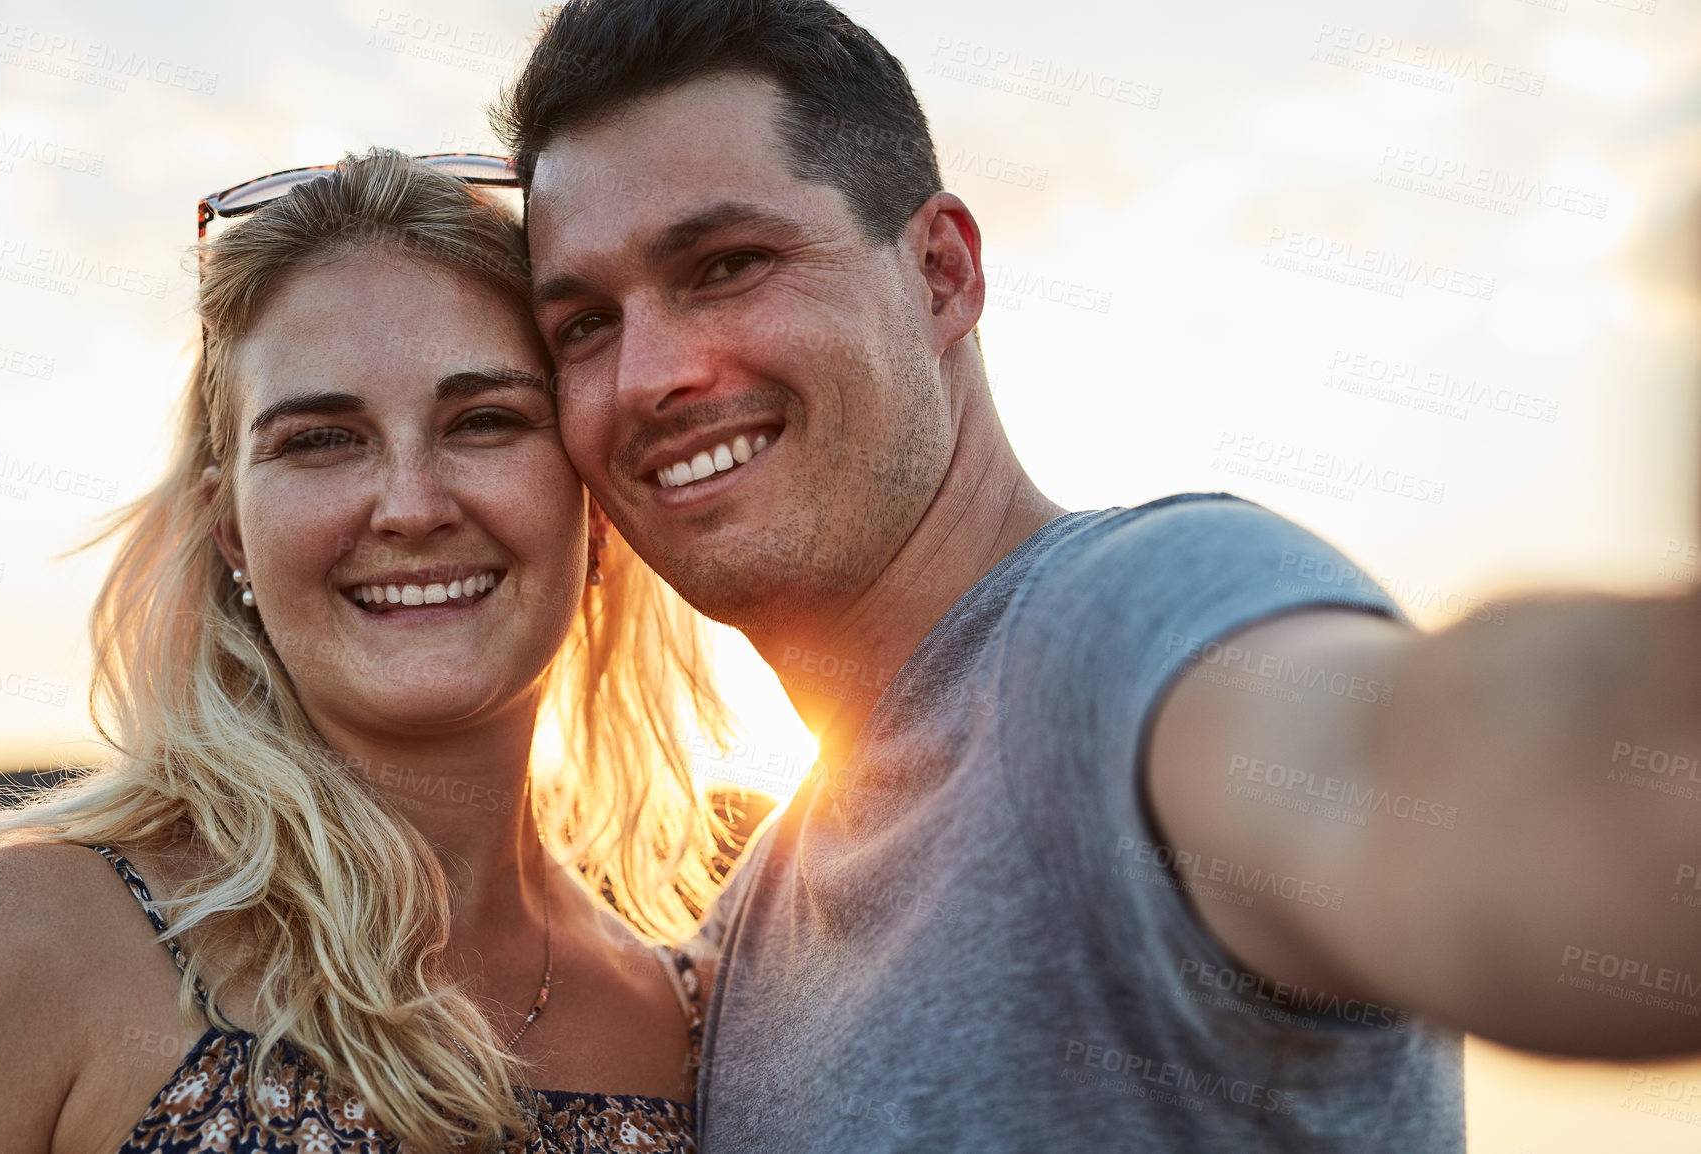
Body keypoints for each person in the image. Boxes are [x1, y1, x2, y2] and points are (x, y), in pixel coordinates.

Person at [498, 1, 1701, 1150]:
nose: (649, 371)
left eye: (724, 264)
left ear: (941, 275)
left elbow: (1438, 781)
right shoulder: (758, 913)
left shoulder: (1130, 626)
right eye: (584, 326)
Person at [0, 149, 733, 1154]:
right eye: (322, 439)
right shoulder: (32, 934)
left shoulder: (695, 1021)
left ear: (592, 504)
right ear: (231, 527)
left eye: (486, 420)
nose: (411, 505)